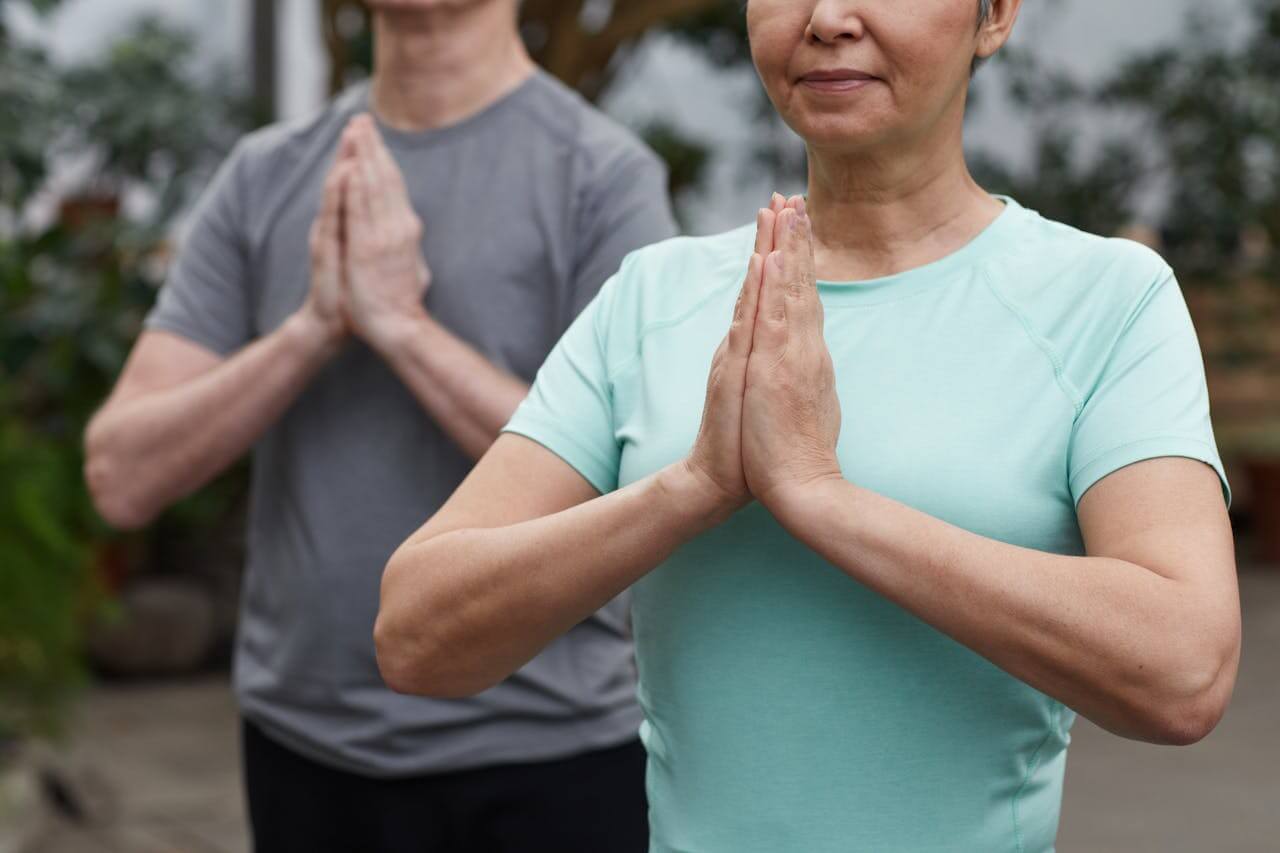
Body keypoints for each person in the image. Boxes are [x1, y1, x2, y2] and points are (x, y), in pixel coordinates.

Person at [374, 1, 1241, 850]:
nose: (826, 17)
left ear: (996, 15)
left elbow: (1182, 672)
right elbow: (417, 637)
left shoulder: (1107, 300)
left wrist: (820, 497)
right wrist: (693, 487)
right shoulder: (653, 299)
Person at [84, 0, 676, 850]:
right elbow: (119, 476)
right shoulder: (266, 175)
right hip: (305, 748)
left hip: (550, 755)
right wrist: (311, 329)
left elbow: (643, 485)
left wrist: (404, 328)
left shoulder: (603, 176)